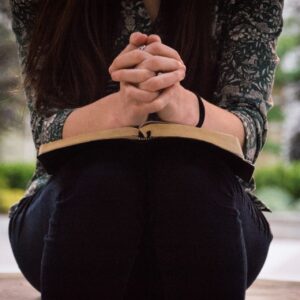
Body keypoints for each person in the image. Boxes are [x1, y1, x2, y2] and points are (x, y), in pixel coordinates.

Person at [8, 0, 284, 299]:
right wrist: (122, 108)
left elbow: (249, 132)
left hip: (214, 219)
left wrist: (179, 103)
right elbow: (44, 130)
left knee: (189, 178)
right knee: (103, 177)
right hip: (66, 218)